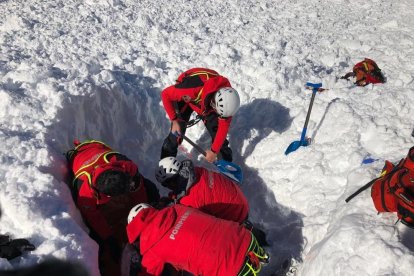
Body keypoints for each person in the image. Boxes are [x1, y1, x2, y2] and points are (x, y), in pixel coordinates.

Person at [66, 139, 160, 276]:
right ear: (105, 195)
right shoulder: (84, 192)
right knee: (93, 232)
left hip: (96, 148)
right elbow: (95, 219)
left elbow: (139, 192)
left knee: (149, 188)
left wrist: (144, 217)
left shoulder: (126, 166)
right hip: (80, 155)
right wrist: (109, 239)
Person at [126, 203, 269, 275]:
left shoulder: (151, 249)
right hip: (248, 240)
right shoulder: (176, 208)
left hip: (234, 269)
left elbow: (148, 273)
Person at [160, 68, 240, 163]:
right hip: (188, 95)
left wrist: (214, 151)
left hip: (205, 101)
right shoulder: (190, 88)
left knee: (217, 132)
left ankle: (226, 164)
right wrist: (174, 120)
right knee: (177, 132)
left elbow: (223, 127)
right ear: (213, 102)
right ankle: (165, 164)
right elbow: (165, 94)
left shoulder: (228, 102)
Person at [155, 157, 248, 223]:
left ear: (172, 182)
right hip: (239, 199)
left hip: (237, 215)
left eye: (166, 184)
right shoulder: (195, 171)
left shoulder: (189, 201)